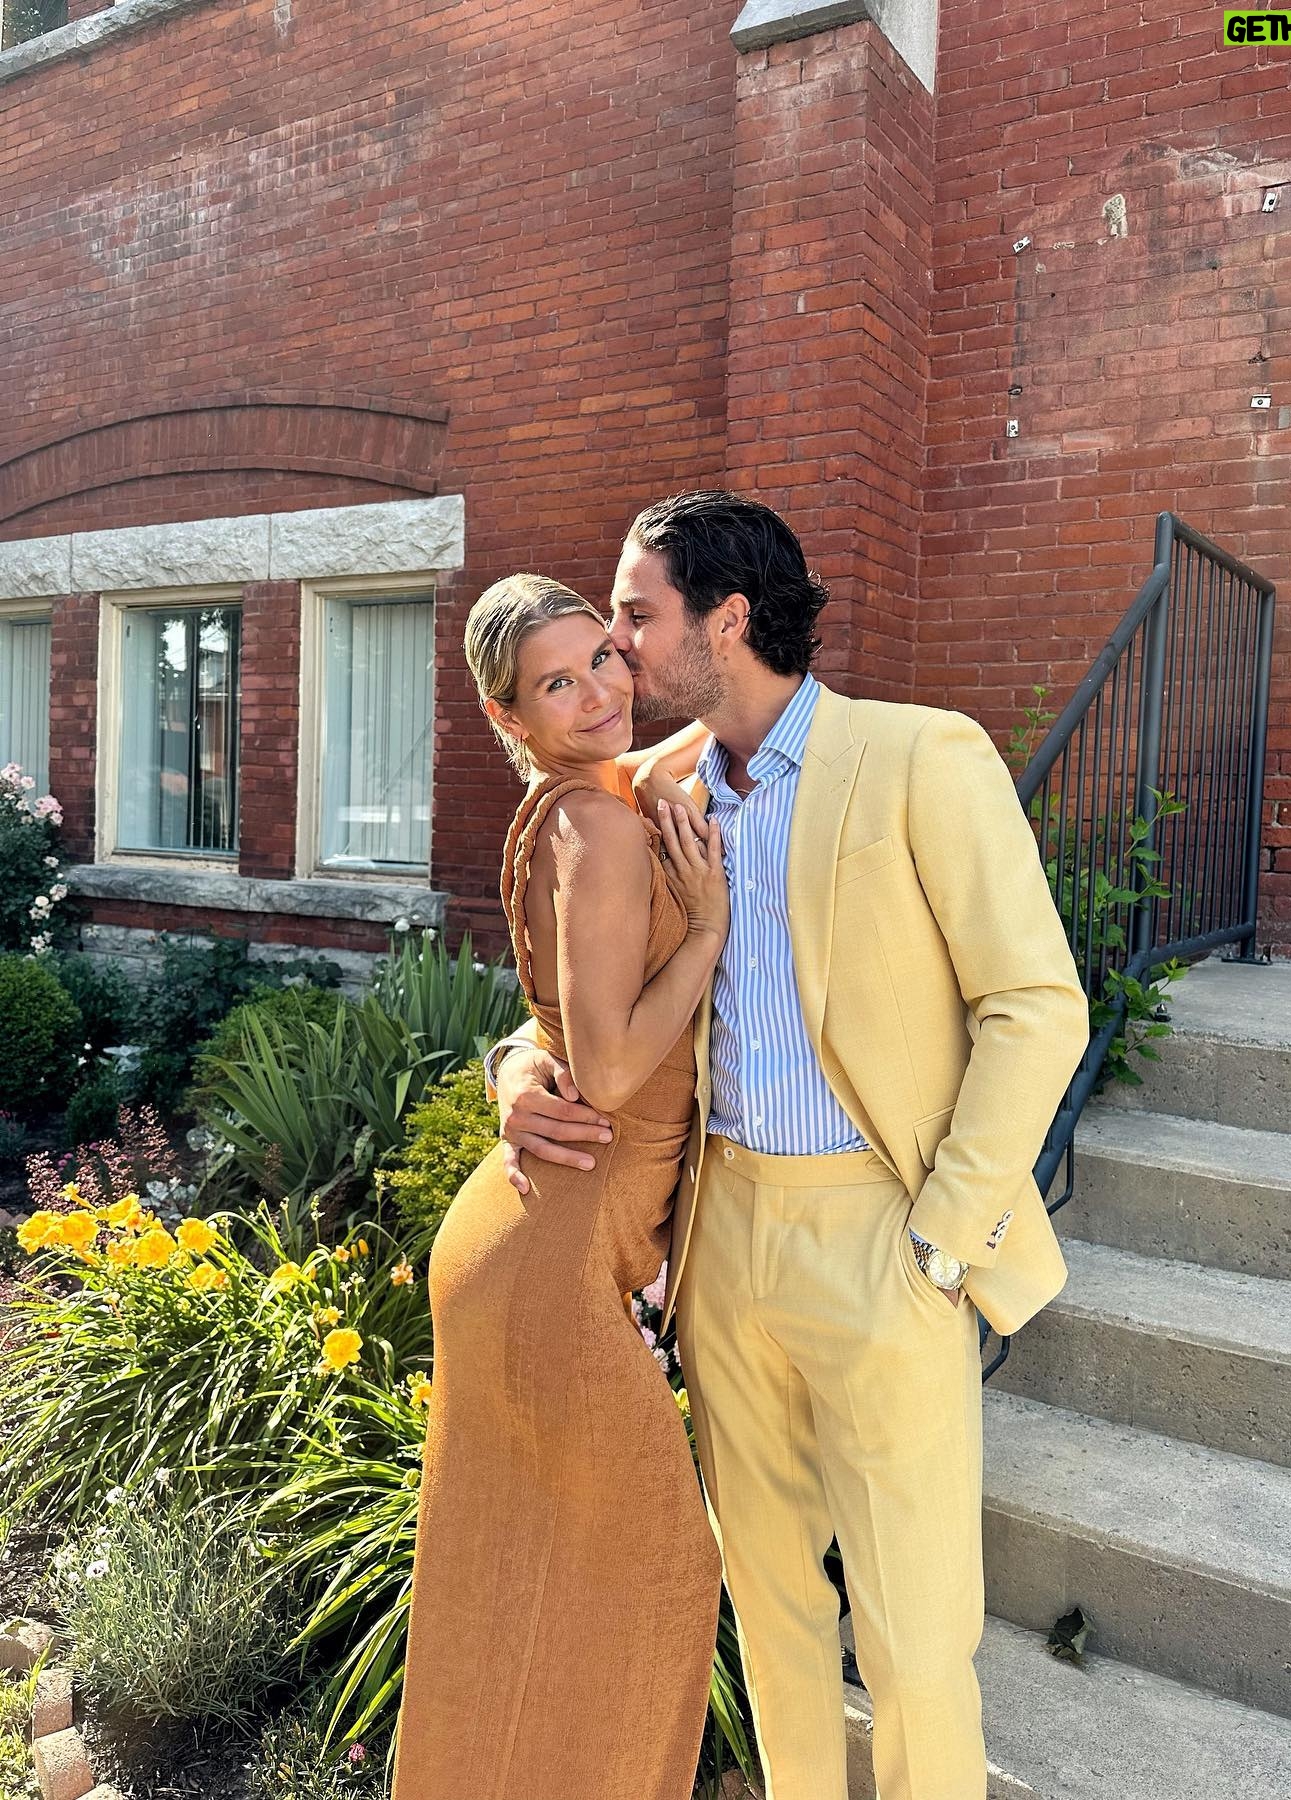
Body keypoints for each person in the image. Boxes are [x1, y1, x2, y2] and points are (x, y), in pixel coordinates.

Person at [488, 493, 1092, 1800]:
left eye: (637, 616)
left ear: (728, 618)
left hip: (885, 1237)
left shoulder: (921, 756)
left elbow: (1036, 1007)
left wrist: (942, 1240)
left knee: (916, 1633)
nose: (615, 648)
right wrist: (515, 1072)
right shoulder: (646, 789)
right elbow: (581, 999)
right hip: (721, 1246)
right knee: (770, 1610)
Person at [389, 574, 725, 1800]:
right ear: (508, 715)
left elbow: (701, 733)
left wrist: (510, 1061)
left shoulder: (580, 799)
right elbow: (613, 1066)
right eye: (557, 683)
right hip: (552, 1264)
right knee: (665, 1573)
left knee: (508, 1592)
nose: (597, 695)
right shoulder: (602, 825)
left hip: (532, 1230)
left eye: (604, 661)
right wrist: (706, 933)